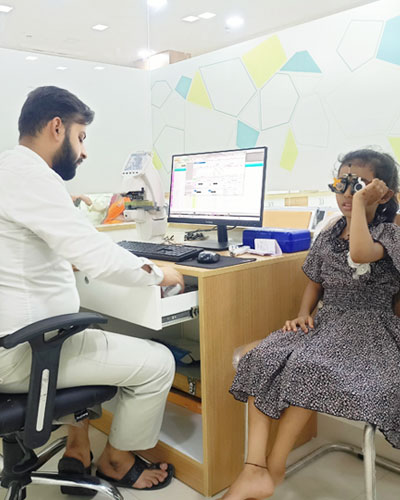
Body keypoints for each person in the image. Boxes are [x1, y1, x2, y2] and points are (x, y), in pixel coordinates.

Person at [0, 86, 185, 493]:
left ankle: (78, 445)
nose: (84, 151)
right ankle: (117, 461)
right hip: (22, 352)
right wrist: (159, 273)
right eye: (80, 137)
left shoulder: (9, 170)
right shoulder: (33, 178)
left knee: (86, 332)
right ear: (56, 128)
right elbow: (97, 256)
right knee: (157, 363)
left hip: (17, 340)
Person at [223, 149, 400, 500]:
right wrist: (304, 312)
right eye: (342, 183)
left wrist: (362, 205)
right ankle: (254, 469)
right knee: (262, 357)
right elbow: (314, 283)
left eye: (359, 186)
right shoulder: (329, 234)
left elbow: (360, 253)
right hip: (327, 322)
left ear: (383, 194)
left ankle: (274, 468)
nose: (347, 193)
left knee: (308, 366)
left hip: (371, 329)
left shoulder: (390, 234)